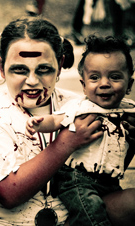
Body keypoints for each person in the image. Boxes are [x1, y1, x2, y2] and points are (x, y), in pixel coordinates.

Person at [0, 17, 135, 226]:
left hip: (74, 217)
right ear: (1, 66)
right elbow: (9, 194)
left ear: (61, 64)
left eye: (44, 69)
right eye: (19, 70)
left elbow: (104, 169)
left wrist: (127, 140)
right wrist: (67, 143)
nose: (32, 80)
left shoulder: (81, 105)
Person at [25, 34, 135, 225]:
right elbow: (57, 120)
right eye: (94, 77)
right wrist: (38, 124)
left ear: (129, 85)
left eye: (115, 77)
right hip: (76, 179)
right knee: (90, 211)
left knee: (105, 210)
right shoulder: (81, 107)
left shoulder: (129, 110)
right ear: (83, 86)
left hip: (109, 181)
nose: (104, 83)